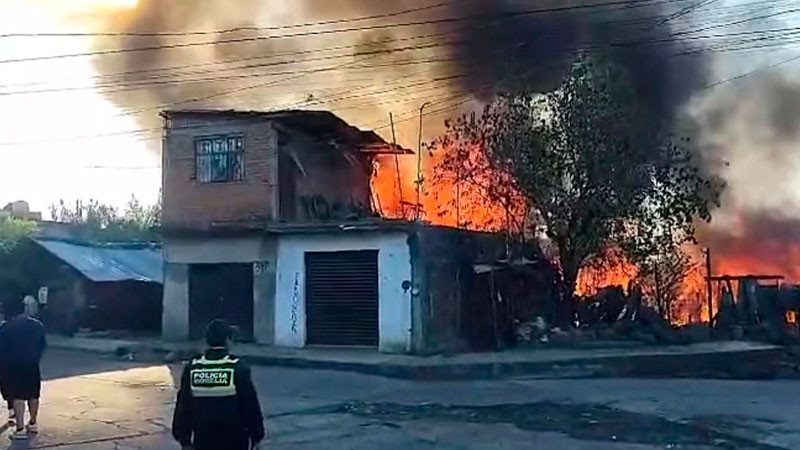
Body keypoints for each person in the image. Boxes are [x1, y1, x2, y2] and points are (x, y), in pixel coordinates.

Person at [172, 320, 265, 450]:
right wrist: (256, 437)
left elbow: (184, 405)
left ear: (207, 341)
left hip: (203, 439)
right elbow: (249, 405)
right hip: (234, 439)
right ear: (227, 341)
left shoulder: (194, 368)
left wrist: (184, 439)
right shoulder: (237, 367)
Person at [0, 302, 46, 441]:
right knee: (33, 394)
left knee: (18, 396)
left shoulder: (6, 328)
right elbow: (42, 344)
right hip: (32, 363)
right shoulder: (37, 325)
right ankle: (33, 423)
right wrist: (35, 357)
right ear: (24, 310)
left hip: (13, 364)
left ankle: (19, 429)